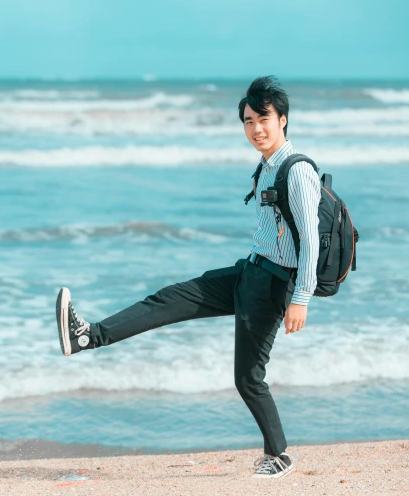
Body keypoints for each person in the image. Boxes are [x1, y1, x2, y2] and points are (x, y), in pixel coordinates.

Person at [55, 76, 321, 479]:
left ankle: (279, 455)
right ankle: (88, 336)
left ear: (283, 119)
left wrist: (301, 297)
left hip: (271, 287)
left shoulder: (296, 170)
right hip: (248, 273)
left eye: (263, 118)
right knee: (172, 297)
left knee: (248, 379)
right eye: (248, 121)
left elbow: (312, 239)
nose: (256, 129)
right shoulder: (266, 168)